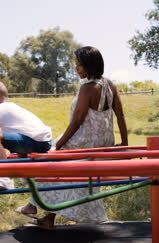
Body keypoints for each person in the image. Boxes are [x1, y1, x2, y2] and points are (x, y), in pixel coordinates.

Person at [16, 46, 128, 229]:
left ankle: (32, 204)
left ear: (90, 66)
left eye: (79, 65)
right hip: (103, 139)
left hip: (85, 140)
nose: (76, 68)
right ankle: (47, 217)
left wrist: (57, 146)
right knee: (69, 175)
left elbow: (77, 122)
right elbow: (120, 116)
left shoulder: (88, 89)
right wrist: (124, 143)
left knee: (46, 162)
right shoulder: (110, 84)